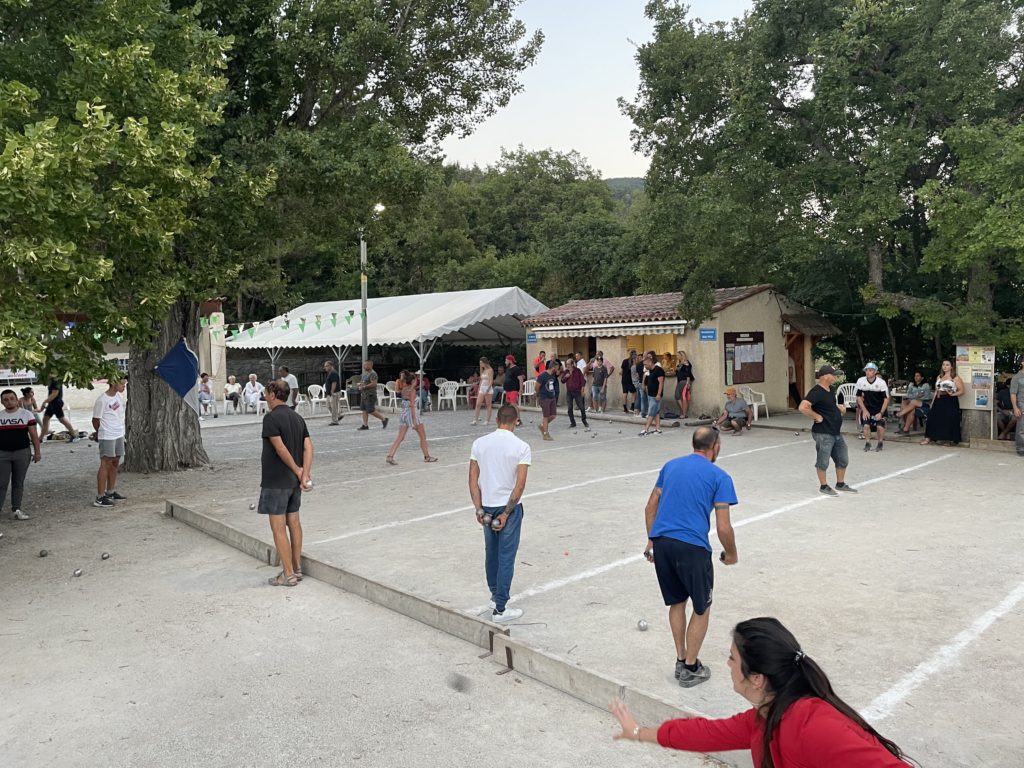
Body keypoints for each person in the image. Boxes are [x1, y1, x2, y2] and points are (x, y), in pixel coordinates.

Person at [608, 617, 914, 767]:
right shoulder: (766, 718)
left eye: (732, 658)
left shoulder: (815, 726)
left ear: (756, 678)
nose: (727, 665)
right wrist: (637, 731)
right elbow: (702, 733)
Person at [643, 427, 738, 688]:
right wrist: (731, 554)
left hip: (662, 542)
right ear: (715, 446)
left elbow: (650, 507)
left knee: (676, 602)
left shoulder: (670, 466)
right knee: (701, 606)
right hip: (692, 547)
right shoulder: (720, 477)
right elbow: (723, 527)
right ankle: (691, 667)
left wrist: (652, 540)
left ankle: (680, 658)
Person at [468, 403, 531, 623]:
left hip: (486, 506)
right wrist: (506, 513)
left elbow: (473, 480)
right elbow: (520, 486)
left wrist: (478, 508)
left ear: (497, 420)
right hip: (508, 509)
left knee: (491, 553)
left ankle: (495, 596)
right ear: (516, 421)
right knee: (506, 557)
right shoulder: (521, 447)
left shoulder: (479, 443)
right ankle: (501, 609)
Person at [259, 379, 313, 587]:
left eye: (266, 393)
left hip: (276, 481)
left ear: (273, 394)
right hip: (293, 483)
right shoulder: (297, 417)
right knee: (295, 523)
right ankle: (296, 568)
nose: (265, 396)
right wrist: (304, 474)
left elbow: (280, 449)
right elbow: (309, 447)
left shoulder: (271, 418)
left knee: (278, 527)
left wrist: (298, 470)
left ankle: (288, 574)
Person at [798, 365, 857, 496]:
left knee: (843, 459)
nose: (836, 377)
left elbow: (828, 406)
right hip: (823, 432)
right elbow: (803, 407)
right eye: (833, 374)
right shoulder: (816, 391)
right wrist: (816, 416)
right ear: (824, 376)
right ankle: (823, 486)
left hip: (835, 431)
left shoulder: (831, 389)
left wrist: (839, 409)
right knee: (823, 461)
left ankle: (840, 484)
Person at [1, 388, 42, 520]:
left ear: (16, 399)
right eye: (5, 400)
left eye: (11, 398)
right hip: (2, 454)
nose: (9, 402)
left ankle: (16, 509)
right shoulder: (0, 416)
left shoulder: (26, 415)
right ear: (2, 402)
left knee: (18, 482)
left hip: (22, 453)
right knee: (2, 482)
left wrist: (37, 452)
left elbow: (34, 435)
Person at [383, 370, 437, 465]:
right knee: (422, 436)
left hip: (403, 414)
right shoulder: (412, 391)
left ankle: (390, 455)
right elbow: (412, 405)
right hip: (411, 414)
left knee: (400, 436)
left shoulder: (404, 389)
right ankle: (427, 456)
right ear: (412, 381)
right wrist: (414, 421)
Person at [91, 375, 127, 508]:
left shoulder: (118, 397)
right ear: (113, 383)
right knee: (106, 463)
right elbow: (96, 420)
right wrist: (100, 433)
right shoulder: (102, 400)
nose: (124, 386)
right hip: (107, 435)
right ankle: (100, 497)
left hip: (118, 433)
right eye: (122, 383)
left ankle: (110, 491)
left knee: (115, 461)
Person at [921, 359, 963, 446]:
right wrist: (932, 402)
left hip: (949, 400)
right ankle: (928, 437)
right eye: (943, 364)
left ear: (951, 367)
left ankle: (948, 439)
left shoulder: (955, 377)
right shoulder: (939, 377)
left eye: (947, 365)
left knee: (948, 419)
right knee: (932, 417)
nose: (945, 366)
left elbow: (962, 391)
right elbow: (936, 390)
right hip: (938, 399)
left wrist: (952, 394)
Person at [855, 362, 890, 452]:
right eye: (866, 370)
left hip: (880, 407)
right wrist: (864, 410)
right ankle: (867, 443)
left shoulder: (881, 382)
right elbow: (858, 397)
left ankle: (880, 443)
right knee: (866, 426)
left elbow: (886, 399)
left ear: (875, 372)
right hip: (867, 407)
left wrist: (881, 412)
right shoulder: (861, 381)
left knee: (879, 426)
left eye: (870, 370)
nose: (868, 372)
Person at [40, 376, 77, 442]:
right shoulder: (52, 381)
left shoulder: (55, 381)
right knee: (45, 418)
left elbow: (55, 394)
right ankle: (40, 438)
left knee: (62, 419)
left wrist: (45, 402)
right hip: (52, 403)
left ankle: (74, 435)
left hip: (56, 403)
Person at [357, 359, 389, 430]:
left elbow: (374, 384)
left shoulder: (373, 373)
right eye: (364, 365)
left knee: (370, 410)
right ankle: (365, 425)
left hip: (370, 395)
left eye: (365, 365)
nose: (364, 366)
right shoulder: (365, 373)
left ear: (370, 365)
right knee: (364, 409)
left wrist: (364, 386)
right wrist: (360, 384)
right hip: (364, 395)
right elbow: (364, 382)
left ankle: (384, 419)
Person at [561, 355, 589, 431]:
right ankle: (573, 423)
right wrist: (566, 377)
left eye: (568, 364)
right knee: (569, 408)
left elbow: (583, 381)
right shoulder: (566, 371)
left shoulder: (578, 371)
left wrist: (582, 390)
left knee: (582, 407)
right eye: (566, 364)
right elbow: (562, 381)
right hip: (569, 392)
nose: (567, 366)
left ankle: (584, 421)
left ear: (572, 364)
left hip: (577, 392)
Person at [639, 353, 665, 436]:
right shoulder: (650, 370)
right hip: (650, 394)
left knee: (651, 412)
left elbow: (661, 383)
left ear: (650, 363)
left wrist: (658, 394)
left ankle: (646, 429)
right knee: (656, 412)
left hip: (655, 395)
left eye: (646, 364)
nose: (645, 366)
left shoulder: (658, 370)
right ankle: (657, 428)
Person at [536, 359, 560, 441]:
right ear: (553, 367)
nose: (558, 369)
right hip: (544, 397)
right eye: (557, 368)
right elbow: (537, 386)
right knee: (546, 416)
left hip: (552, 397)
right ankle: (546, 434)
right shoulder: (542, 376)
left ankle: (542, 425)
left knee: (553, 415)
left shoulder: (552, 375)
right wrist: (538, 395)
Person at [503, 355, 525, 425]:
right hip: (508, 390)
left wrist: (521, 389)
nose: (505, 362)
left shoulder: (516, 369)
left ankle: (518, 419)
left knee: (514, 404)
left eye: (506, 361)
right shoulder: (508, 369)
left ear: (510, 361)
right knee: (509, 405)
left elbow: (520, 378)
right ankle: (511, 419)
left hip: (513, 390)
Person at [471, 357, 495, 425]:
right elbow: (481, 380)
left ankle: (487, 420)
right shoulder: (483, 370)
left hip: (488, 388)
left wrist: (488, 388)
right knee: (478, 404)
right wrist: (479, 388)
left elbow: (491, 381)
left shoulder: (490, 370)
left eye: (481, 363)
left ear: (484, 363)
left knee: (488, 405)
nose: (480, 364)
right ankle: (475, 419)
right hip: (482, 388)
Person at [675, 351, 695, 419]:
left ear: (682, 356)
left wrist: (688, 383)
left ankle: (684, 413)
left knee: (683, 397)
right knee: (677, 396)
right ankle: (684, 412)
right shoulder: (679, 363)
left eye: (678, 355)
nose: (677, 357)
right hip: (680, 381)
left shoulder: (686, 362)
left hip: (685, 381)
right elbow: (677, 372)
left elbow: (688, 373)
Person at [1010, 358, 1024, 456]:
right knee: (1021, 427)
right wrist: (1015, 407)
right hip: (1021, 404)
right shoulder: (1017, 377)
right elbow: (1013, 394)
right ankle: (1021, 448)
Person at [323, 361, 342, 426]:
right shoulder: (330, 373)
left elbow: (334, 383)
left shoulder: (333, 373)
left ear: (331, 366)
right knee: (328, 405)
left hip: (334, 392)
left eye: (326, 366)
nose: (325, 367)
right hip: (329, 394)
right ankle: (338, 416)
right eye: (325, 366)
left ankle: (335, 421)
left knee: (333, 407)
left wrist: (332, 392)